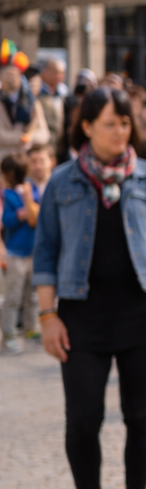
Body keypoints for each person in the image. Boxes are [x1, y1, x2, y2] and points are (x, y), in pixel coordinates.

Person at [34, 87, 146, 489]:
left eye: (125, 123)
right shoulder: (62, 182)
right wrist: (47, 315)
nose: (120, 131)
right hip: (80, 315)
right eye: (109, 123)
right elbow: (46, 253)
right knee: (82, 418)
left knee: (141, 415)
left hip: (144, 312)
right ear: (85, 127)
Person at [2, 151, 43, 352]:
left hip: (33, 251)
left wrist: (28, 201)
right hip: (15, 253)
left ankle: (31, 329)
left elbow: (38, 213)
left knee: (33, 295)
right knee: (13, 296)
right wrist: (20, 214)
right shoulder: (7, 195)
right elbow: (6, 220)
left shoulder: (31, 189)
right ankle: (9, 333)